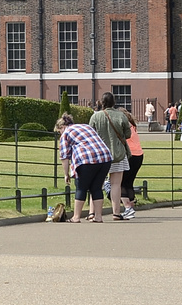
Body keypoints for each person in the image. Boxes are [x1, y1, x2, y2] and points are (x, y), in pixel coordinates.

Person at [58, 113, 113, 223]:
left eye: (59, 131)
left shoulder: (65, 133)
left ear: (62, 127)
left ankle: (76, 217)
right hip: (105, 157)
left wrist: (66, 174)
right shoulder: (86, 126)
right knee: (96, 187)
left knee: (81, 187)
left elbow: (64, 156)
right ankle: (98, 217)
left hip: (87, 159)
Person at [90, 92, 134, 220]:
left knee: (96, 184)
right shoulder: (121, 116)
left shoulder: (95, 117)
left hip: (100, 154)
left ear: (101, 102)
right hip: (118, 154)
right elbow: (128, 134)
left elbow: (91, 134)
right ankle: (116, 212)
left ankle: (93, 213)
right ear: (114, 102)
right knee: (116, 184)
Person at [119, 117, 144, 220]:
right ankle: (130, 208)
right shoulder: (132, 125)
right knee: (129, 182)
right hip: (139, 154)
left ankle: (128, 208)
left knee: (121, 183)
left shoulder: (123, 125)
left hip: (130, 154)